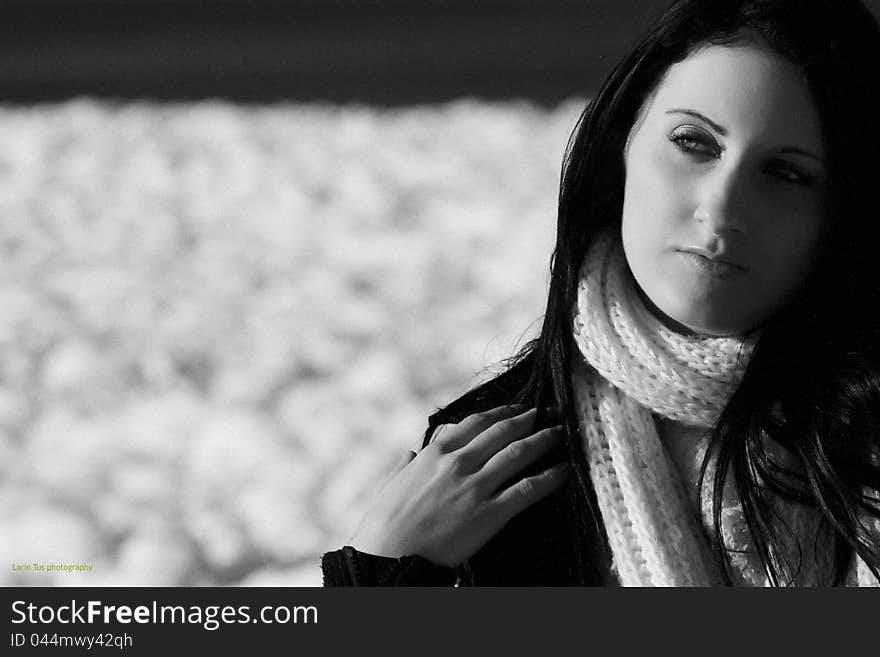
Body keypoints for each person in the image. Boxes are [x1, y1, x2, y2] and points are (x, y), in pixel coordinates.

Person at [321, 0, 880, 586]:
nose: (721, 207)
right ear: (624, 146)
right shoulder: (494, 468)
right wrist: (380, 571)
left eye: (787, 173)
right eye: (695, 142)